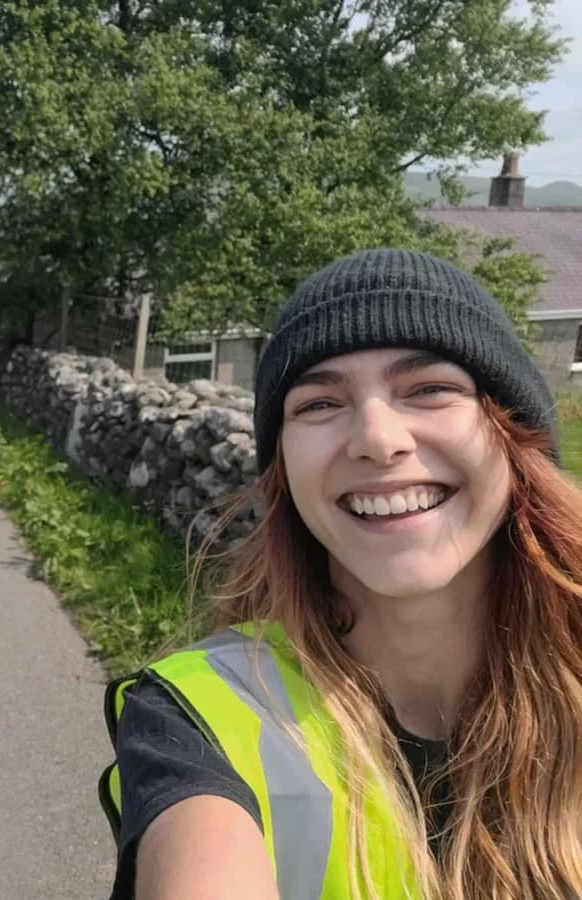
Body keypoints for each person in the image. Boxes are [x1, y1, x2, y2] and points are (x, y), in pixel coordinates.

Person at [101, 248, 582, 899]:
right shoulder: (197, 719)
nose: (378, 439)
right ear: (282, 472)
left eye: (430, 389)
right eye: (320, 403)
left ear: (513, 434)